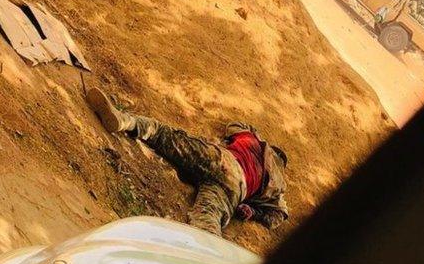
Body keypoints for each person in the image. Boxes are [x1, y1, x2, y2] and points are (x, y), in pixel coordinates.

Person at [86, 87, 289, 237]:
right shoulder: (278, 185)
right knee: (207, 221)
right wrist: (253, 212)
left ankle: (124, 121)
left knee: (163, 135)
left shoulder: (253, 140)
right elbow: (277, 217)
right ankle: (205, 255)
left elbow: (233, 126)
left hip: (221, 160)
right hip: (236, 189)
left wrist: (252, 135)